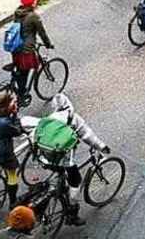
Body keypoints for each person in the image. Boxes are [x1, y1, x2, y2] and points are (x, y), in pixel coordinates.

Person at [41, 94, 110, 227]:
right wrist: (102, 147)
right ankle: (72, 215)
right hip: (62, 159)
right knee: (75, 181)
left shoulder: (49, 119)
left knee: (57, 176)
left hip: (44, 156)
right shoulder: (72, 118)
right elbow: (88, 135)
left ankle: (52, 192)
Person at [9, 0, 53, 107]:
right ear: (32, 3)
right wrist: (48, 44)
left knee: (20, 70)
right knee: (25, 71)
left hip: (16, 47)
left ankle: (17, 87)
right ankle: (22, 94)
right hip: (26, 49)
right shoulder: (33, 16)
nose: (36, 2)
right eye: (34, 1)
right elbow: (41, 32)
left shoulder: (18, 12)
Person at [0, 91, 24, 209]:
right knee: (12, 174)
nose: (16, 104)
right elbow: (17, 131)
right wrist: (16, 115)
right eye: (14, 102)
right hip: (2, 153)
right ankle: (13, 202)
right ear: (8, 105)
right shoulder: (4, 123)